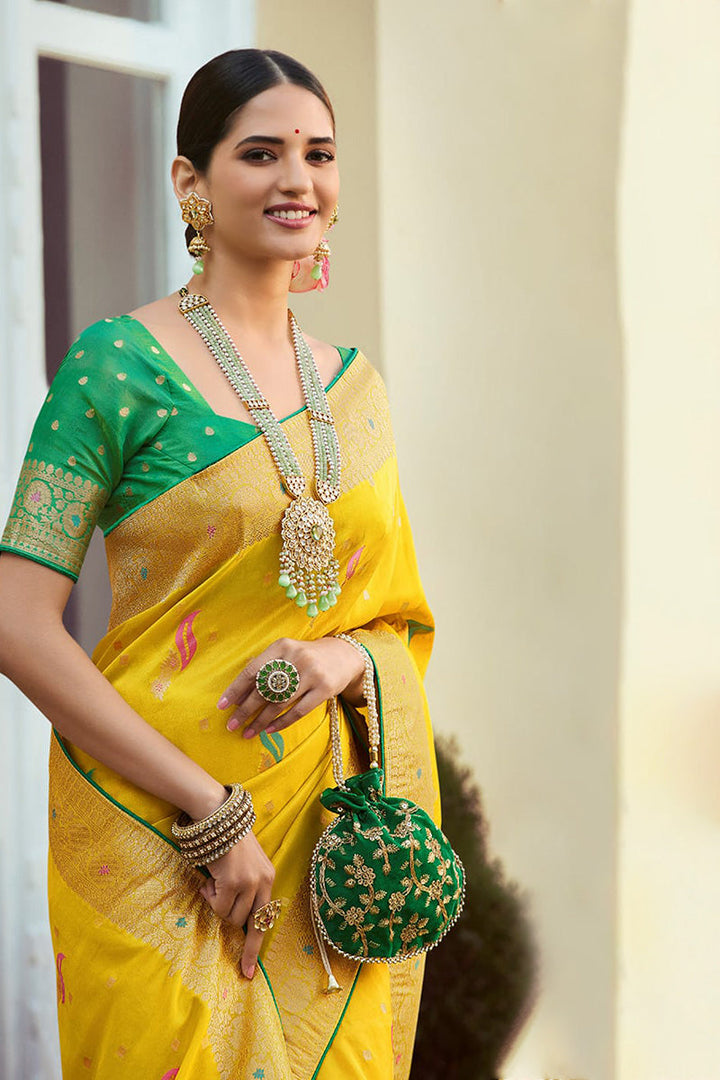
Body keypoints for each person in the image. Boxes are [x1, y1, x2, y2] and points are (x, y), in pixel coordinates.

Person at [0, 48, 440, 1079]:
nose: (298, 180)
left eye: (319, 154)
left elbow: (395, 620)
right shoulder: (115, 366)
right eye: (261, 153)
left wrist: (342, 662)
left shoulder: (357, 392)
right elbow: (17, 623)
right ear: (189, 180)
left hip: (326, 843)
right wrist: (207, 808)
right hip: (151, 827)